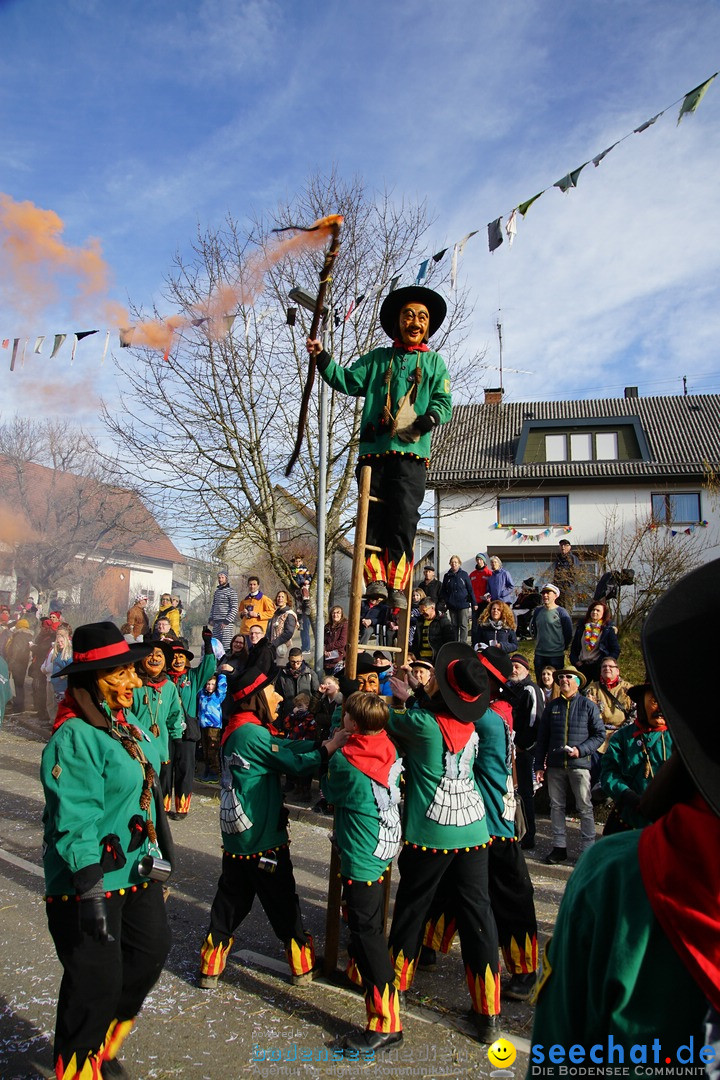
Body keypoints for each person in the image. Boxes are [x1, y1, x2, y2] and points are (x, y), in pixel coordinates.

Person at [528, 558, 720, 1068]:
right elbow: (611, 768)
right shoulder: (614, 731)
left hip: (638, 833)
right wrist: (628, 794)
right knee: (566, 813)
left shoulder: (615, 879)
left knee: (587, 819)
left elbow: (595, 745)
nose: (655, 707)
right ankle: (563, 845)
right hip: (637, 823)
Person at [40, 623, 172, 1080]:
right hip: (88, 880)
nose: (135, 681)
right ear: (93, 680)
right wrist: (91, 891)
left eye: (133, 672)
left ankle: (101, 1047)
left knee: (151, 953)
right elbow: (76, 816)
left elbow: (148, 793)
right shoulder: (75, 736)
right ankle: (78, 1065)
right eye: (123, 674)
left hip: (135, 872)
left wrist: (161, 856)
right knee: (94, 981)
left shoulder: (125, 725)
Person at [197, 667, 347, 989]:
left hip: (238, 842)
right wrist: (329, 749)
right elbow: (292, 762)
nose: (279, 697)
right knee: (283, 904)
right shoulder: (252, 734)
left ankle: (210, 965)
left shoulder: (242, 729)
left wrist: (321, 742)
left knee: (230, 903)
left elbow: (283, 749)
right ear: (254, 699)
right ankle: (302, 965)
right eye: (271, 692)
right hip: (262, 839)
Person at [307, 286, 452, 611]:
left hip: (412, 457)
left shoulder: (434, 364)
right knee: (371, 521)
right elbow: (346, 380)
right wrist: (322, 356)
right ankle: (374, 580)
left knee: (402, 521)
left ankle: (397, 584)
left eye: (421, 317)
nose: (414, 322)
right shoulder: (376, 360)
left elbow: (445, 402)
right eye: (409, 315)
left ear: (427, 326)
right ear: (398, 321)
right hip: (373, 455)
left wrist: (428, 418)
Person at [387, 643, 501, 1043]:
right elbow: (436, 710)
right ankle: (488, 1013)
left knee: (412, 910)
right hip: (474, 831)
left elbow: (380, 717)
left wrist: (392, 692)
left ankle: (394, 989)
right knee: (478, 916)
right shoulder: (471, 724)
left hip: (431, 833)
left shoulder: (419, 724)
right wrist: (415, 693)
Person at [322, 690, 404, 1052]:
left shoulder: (344, 760)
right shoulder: (387, 745)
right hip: (384, 841)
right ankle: (363, 974)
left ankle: (386, 1022)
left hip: (360, 852)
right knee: (364, 922)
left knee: (368, 933)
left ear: (353, 723)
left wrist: (332, 745)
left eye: (346, 716)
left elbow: (330, 792)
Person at [534, 665, 604, 864]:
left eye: (568, 677)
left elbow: (599, 735)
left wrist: (581, 750)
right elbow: (543, 737)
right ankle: (559, 847)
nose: (564, 680)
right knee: (556, 806)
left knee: (584, 806)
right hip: (556, 764)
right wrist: (539, 765)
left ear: (577, 682)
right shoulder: (552, 706)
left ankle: (588, 849)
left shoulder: (588, 705)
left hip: (579, 765)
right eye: (561, 677)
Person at [600, 680, 672, 834]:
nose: (660, 707)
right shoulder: (623, 738)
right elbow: (608, 773)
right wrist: (626, 794)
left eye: (663, 699)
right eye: (654, 700)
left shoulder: (678, 739)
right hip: (628, 819)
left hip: (666, 822)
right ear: (641, 703)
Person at [164, 631, 217, 818]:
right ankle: (163, 806)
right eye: (174, 657)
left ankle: (181, 807)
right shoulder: (163, 679)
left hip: (187, 732)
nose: (177, 660)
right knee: (165, 768)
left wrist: (208, 643)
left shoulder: (192, 677)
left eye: (181, 657)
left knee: (185, 769)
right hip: (166, 732)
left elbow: (209, 667)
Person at [128, 641, 185, 812]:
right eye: (150, 655)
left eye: (159, 655)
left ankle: (154, 815)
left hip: (160, 747)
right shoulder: (135, 685)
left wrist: (177, 737)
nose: (154, 658)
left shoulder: (169, 687)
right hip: (136, 747)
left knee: (156, 787)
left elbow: (175, 714)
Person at [508, 653, 544, 851]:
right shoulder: (511, 689)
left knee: (524, 794)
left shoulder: (531, 689)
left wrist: (522, 745)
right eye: (511, 666)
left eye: (517, 667)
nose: (514, 670)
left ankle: (528, 835)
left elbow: (535, 720)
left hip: (524, 751)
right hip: (511, 750)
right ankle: (515, 832)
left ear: (526, 670)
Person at [584, 657, 634, 784]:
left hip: (622, 733)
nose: (607, 669)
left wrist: (622, 732)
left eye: (611, 667)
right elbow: (588, 713)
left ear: (618, 671)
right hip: (599, 732)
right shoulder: (593, 688)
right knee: (594, 761)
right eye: (604, 667)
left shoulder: (628, 689)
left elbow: (635, 713)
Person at [569, 599, 620, 685]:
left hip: (598, 666)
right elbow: (574, 649)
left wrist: (605, 663)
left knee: (600, 691)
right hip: (582, 666)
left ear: (603, 613)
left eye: (598, 610)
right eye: (593, 609)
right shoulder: (582, 628)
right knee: (578, 690)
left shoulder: (608, 630)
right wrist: (576, 661)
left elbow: (615, 650)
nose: (594, 612)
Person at [529, 583, 573, 684]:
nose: (545, 595)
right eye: (543, 593)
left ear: (555, 595)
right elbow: (535, 629)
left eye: (548, 593)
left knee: (556, 683)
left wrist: (562, 646)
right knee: (540, 682)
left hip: (556, 655)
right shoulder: (538, 611)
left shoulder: (561, 612)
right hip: (540, 654)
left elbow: (568, 633)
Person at [274, 647, 319, 721]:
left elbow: (316, 694)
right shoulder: (282, 675)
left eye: (298, 661)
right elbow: (279, 698)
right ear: (288, 659)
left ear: (302, 658)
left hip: (307, 716)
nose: (295, 664)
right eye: (293, 662)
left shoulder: (310, 674)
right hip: (288, 716)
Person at [198, 671, 227, 783]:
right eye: (208, 684)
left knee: (212, 749)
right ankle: (207, 770)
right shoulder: (202, 694)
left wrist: (221, 674)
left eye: (212, 684)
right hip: (203, 725)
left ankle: (214, 773)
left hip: (214, 726)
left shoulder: (218, 695)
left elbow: (223, 686)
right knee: (205, 749)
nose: (210, 686)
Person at [440, 555, 475, 643]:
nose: (454, 564)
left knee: (463, 625)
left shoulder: (464, 574)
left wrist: (474, 603)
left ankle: (462, 643)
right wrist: (446, 601)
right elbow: (443, 590)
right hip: (452, 605)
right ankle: (455, 643)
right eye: (452, 562)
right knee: (454, 625)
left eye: (455, 562)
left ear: (459, 563)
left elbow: (470, 589)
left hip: (463, 604)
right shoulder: (447, 576)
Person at [412, 597, 454, 662]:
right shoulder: (420, 621)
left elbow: (449, 642)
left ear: (432, 608)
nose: (422, 613)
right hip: (421, 658)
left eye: (424, 611)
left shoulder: (443, 621)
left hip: (436, 658)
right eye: (420, 611)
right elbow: (416, 640)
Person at [5, 617, 33, 713]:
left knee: (18, 686)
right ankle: (20, 706)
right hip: (24, 664)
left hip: (17, 664)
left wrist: (10, 665)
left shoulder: (18, 636)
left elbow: (15, 652)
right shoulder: (29, 636)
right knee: (20, 685)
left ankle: (18, 707)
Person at [208, 571, 239, 653]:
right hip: (216, 623)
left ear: (226, 578)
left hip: (226, 624)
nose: (220, 579)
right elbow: (213, 606)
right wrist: (211, 618)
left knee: (226, 647)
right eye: (219, 578)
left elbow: (234, 608)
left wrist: (227, 621)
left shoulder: (231, 592)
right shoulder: (217, 592)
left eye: (222, 577)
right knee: (216, 646)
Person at [267, 591, 298, 666]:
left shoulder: (289, 615)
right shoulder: (275, 614)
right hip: (273, 648)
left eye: (282, 597)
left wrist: (274, 643)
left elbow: (288, 633)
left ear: (286, 600)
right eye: (278, 597)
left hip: (284, 649)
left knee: (281, 669)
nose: (280, 598)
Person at [289, 554, 313, 654]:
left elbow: (309, 577)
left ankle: (306, 647)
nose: (297, 563)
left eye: (299, 561)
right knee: (302, 628)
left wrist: (307, 580)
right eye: (296, 561)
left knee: (304, 590)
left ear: (301, 562)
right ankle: (304, 647)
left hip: (303, 586)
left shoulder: (304, 569)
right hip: (297, 590)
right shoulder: (292, 570)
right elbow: (291, 578)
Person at [552, 538, 580, 613]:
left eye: (565, 545)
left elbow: (575, 573)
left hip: (568, 589)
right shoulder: (558, 559)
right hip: (558, 590)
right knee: (558, 611)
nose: (563, 547)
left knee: (566, 612)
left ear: (569, 547)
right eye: (561, 545)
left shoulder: (572, 559)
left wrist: (568, 584)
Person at [323, 605, 348, 674]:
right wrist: (324, 650)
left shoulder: (344, 625)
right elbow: (323, 641)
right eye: (333, 613)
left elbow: (342, 642)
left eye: (338, 613)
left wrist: (327, 647)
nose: (335, 615)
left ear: (341, 615)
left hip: (339, 657)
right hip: (327, 659)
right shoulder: (327, 626)